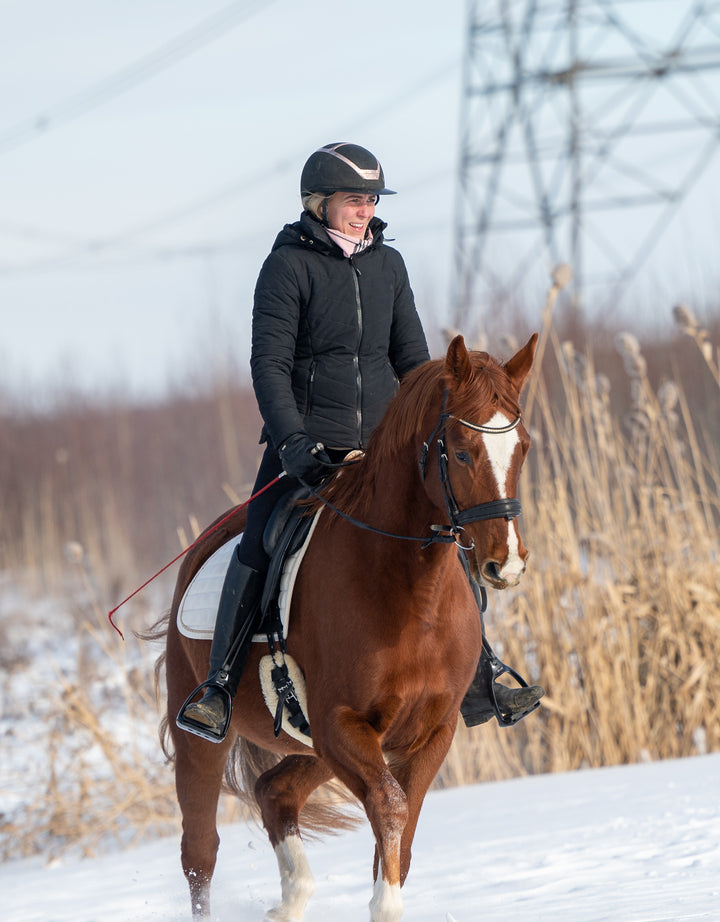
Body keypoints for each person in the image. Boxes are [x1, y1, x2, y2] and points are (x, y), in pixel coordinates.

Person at [177, 141, 543, 742]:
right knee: (261, 541)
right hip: (306, 450)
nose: (365, 210)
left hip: (379, 451)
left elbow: (412, 364)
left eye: (371, 199)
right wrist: (293, 440)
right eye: (353, 200)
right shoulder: (287, 268)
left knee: (447, 529)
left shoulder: (387, 266)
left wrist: (427, 429)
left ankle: (484, 670)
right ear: (319, 203)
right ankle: (218, 685)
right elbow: (269, 366)